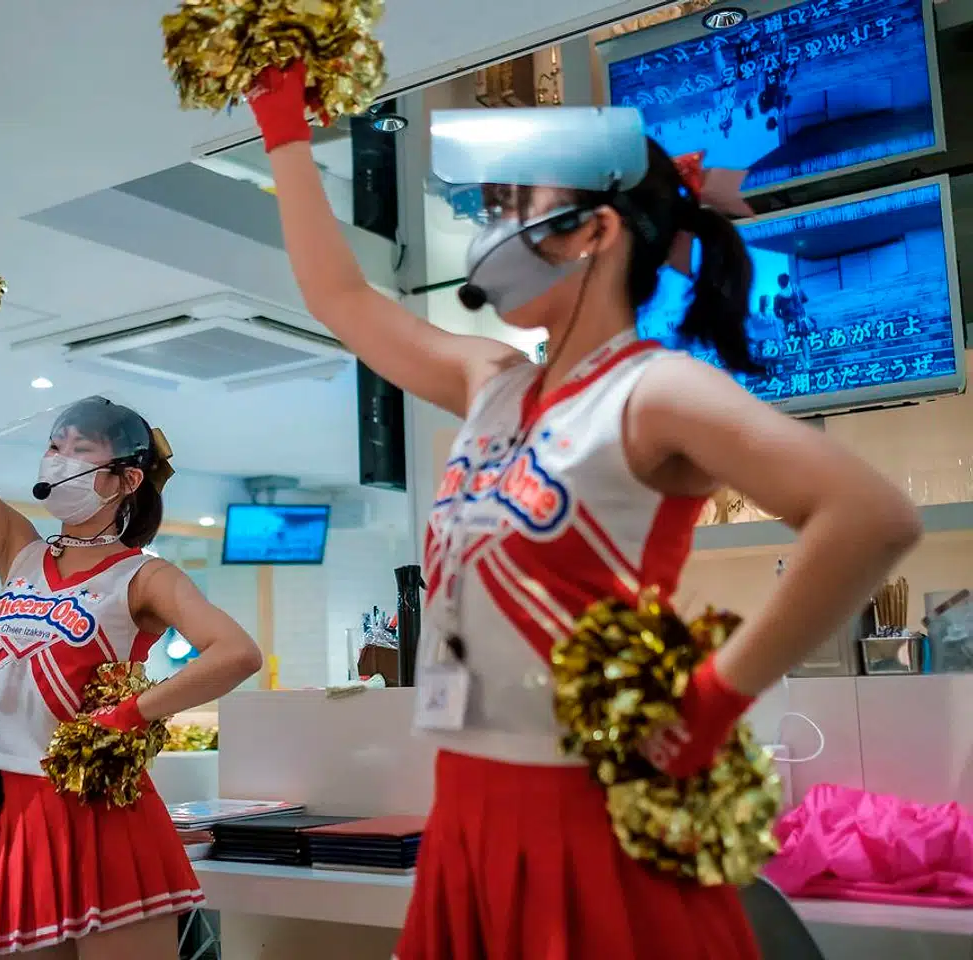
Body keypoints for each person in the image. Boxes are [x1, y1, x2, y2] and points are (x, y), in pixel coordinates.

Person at [250, 63, 921, 959]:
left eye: (509, 206)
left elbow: (870, 515)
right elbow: (340, 298)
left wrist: (716, 698)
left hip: (589, 823)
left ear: (592, 230)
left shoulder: (655, 392)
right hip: (465, 817)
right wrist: (284, 131)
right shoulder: (487, 381)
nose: (487, 230)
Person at [0, 331, 263, 958]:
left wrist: (128, 715)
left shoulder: (144, 575)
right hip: (14, 804)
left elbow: (236, 652)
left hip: (97, 807)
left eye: (79, 450)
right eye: (54, 446)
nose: (57, 460)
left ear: (125, 479)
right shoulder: (17, 548)